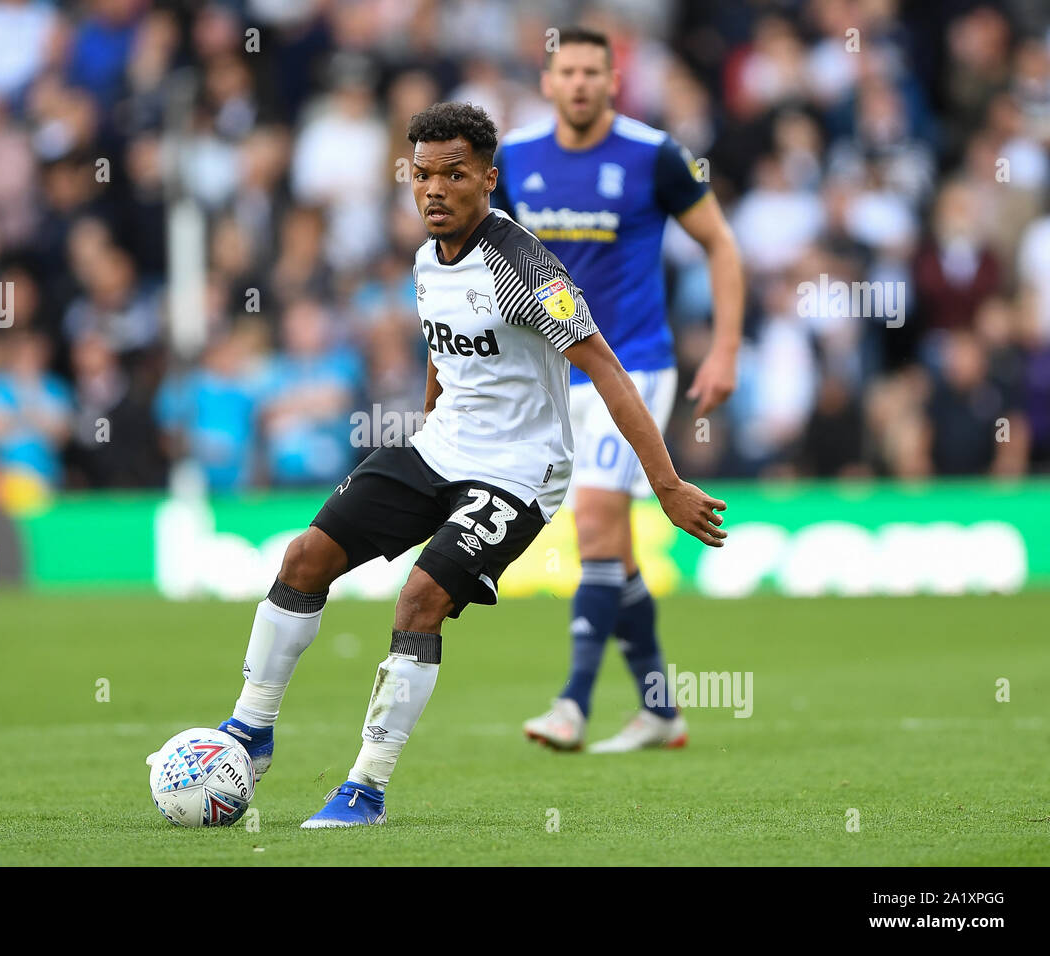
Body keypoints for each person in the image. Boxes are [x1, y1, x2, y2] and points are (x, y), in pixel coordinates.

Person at [211, 102, 726, 828]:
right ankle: (249, 729)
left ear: (487, 179)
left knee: (420, 601)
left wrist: (666, 485)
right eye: (422, 174)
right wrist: (425, 432)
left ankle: (365, 785)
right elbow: (443, 352)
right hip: (441, 448)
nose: (434, 189)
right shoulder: (427, 259)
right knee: (305, 556)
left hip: (520, 471)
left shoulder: (523, 265)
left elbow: (607, 370)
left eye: (454, 174)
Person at [492, 28, 745, 753]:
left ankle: (571, 703)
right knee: (618, 550)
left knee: (597, 523)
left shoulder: (655, 154)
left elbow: (721, 244)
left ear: (612, 81)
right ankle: (661, 709)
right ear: (547, 81)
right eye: (565, 71)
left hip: (633, 366)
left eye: (591, 72)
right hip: (546, 372)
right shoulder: (513, 158)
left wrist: (724, 347)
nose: (578, 83)